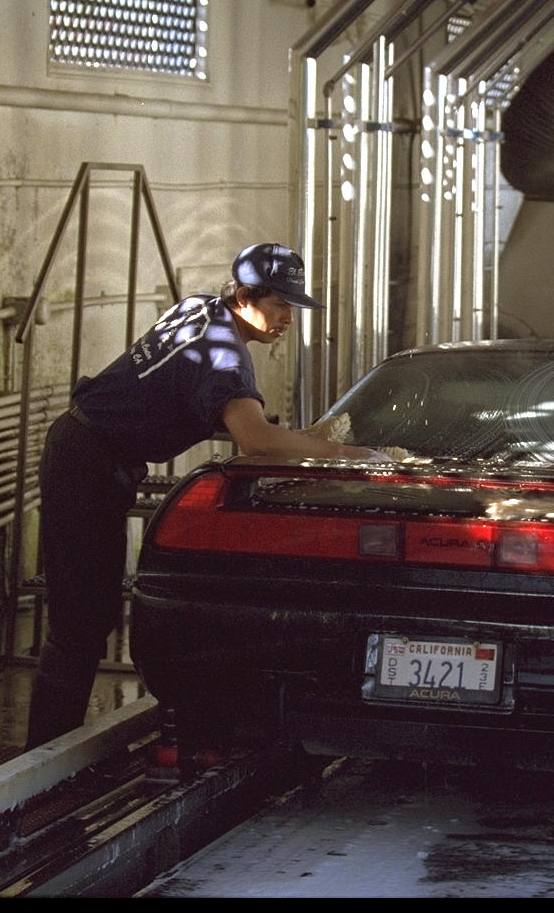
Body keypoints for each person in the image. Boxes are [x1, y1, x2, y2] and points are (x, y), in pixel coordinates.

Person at [24, 242, 387, 749]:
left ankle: (52, 752)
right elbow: (254, 438)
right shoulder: (226, 357)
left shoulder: (199, 308)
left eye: (292, 306)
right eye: (278, 304)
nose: (287, 318)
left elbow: (182, 395)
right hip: (88, 461)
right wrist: (347, 455)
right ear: (243, 296)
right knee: (80, 622)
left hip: (84, 447)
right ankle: (42, 761)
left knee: (87, 615)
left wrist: (290, 439)